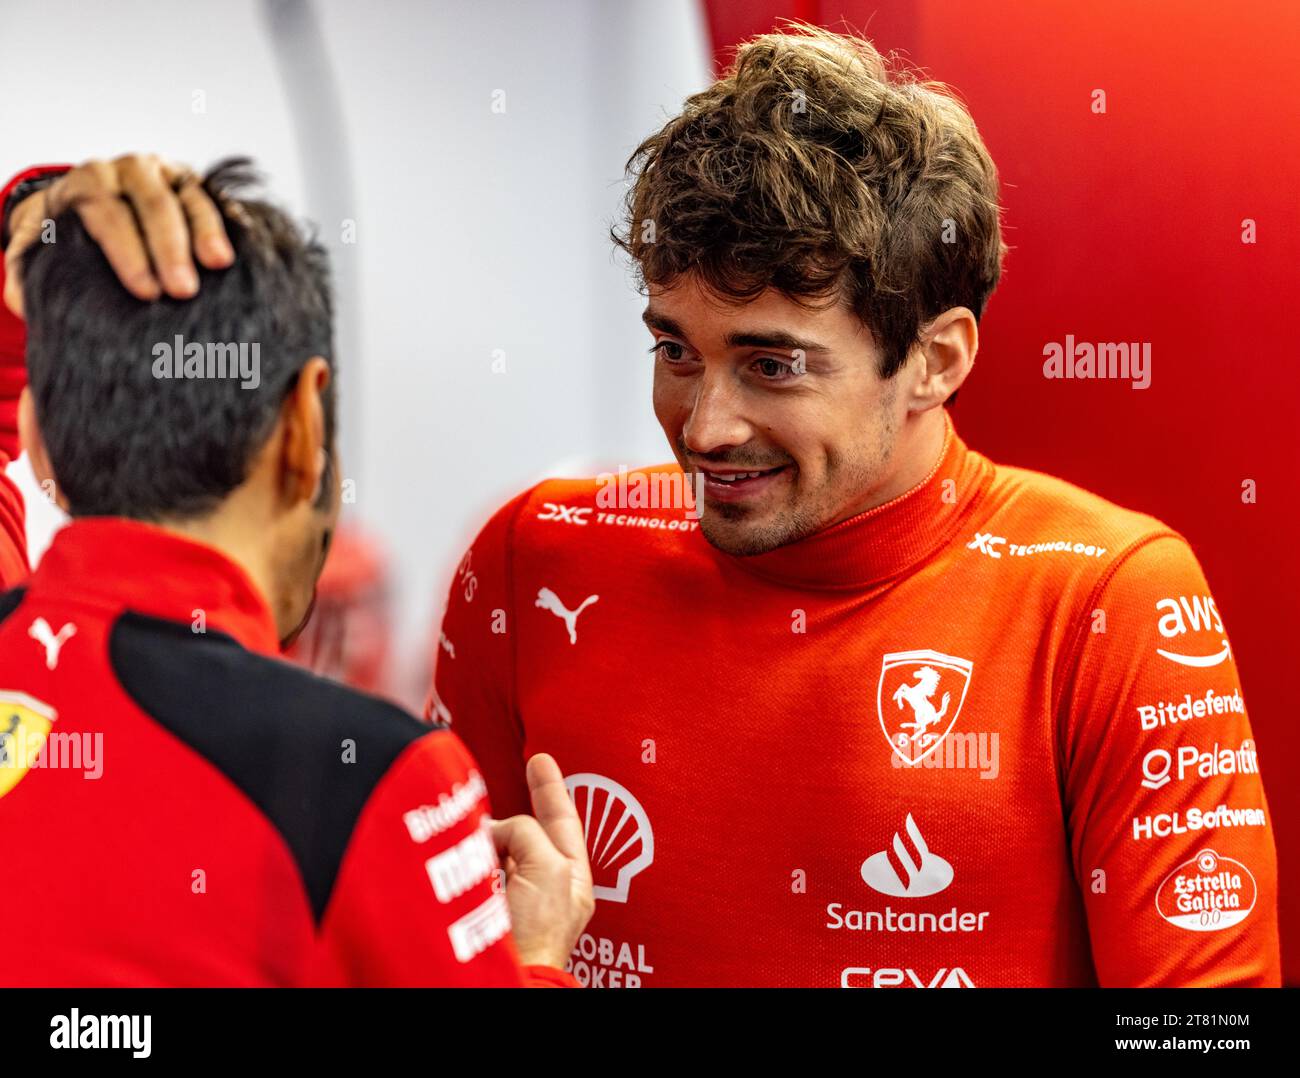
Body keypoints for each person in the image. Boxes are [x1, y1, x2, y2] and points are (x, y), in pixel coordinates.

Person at [429, 26, 1280, 987]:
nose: (705, 427)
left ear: (937, 360)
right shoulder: (536, 557)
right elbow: (421, 957)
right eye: (675, 352)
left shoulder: (1109, 600)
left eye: (773, 365)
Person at [0, 155, 593, 986]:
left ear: (34, 441)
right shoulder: (375, 778)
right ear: (305, 426)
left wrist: (38, 231)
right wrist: (533, 959)